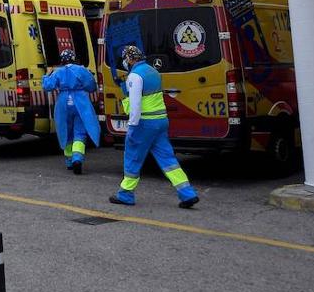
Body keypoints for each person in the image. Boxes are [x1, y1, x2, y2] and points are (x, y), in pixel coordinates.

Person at [109, 45, 199, 208]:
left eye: (125, 59)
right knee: (168, 159)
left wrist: (132, 125)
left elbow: (135, 104)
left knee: (133, 157)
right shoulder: (153, 71)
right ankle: (187, 193)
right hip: (161, 121)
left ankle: (125, 194)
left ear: (129, 59)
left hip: (144, 123)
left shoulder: (134, 76)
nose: (124, 62)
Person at [42, 48, 100, 174]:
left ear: (62, 60)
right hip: (80, 102)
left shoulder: (58, 72)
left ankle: (69, 161)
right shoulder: (81, 70)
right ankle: (77, 158)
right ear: (74, 58)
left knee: (66, 131)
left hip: (63, 103)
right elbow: (91, 86)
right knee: (80, 132)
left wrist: (46, 75)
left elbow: (47, 86)